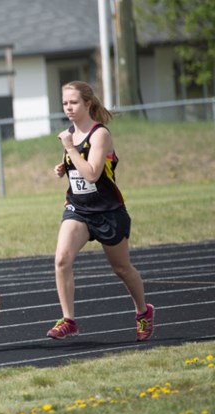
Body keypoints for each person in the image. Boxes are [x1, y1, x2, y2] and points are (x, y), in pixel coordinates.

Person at [47, 81, 153, 341]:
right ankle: (69, 320)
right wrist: (64, 167)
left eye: (73, 103)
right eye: (64, 103)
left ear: (87, 103)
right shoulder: (70, 134)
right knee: (61, 259)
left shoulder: (100, 134)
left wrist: (70, 148)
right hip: (79, 210)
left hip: (108, 211)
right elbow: (77, 168)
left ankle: (143, 311)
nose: (68, 108)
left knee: (121, 268)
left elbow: (93, 174)